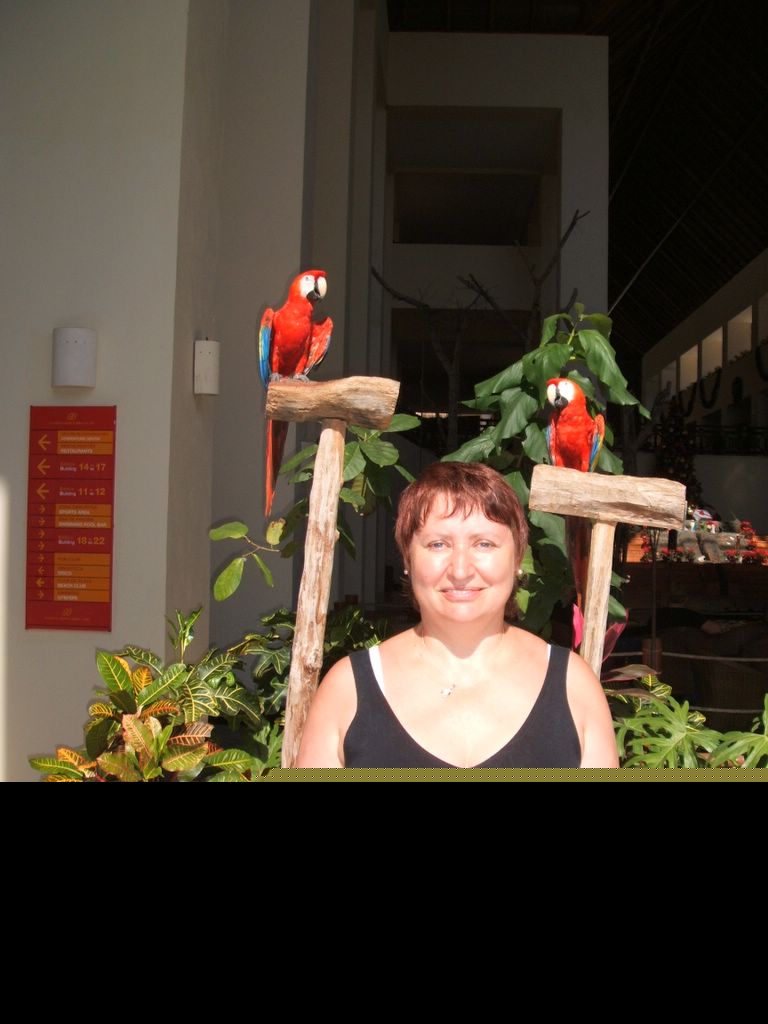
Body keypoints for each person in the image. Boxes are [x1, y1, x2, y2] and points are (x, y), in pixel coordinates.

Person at [296, 462, 618, 768]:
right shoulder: (346, 691)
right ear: (407, 558)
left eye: (484, 544)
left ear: (517, 558)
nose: (461, 570)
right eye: (438, 544)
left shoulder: (575, 688)